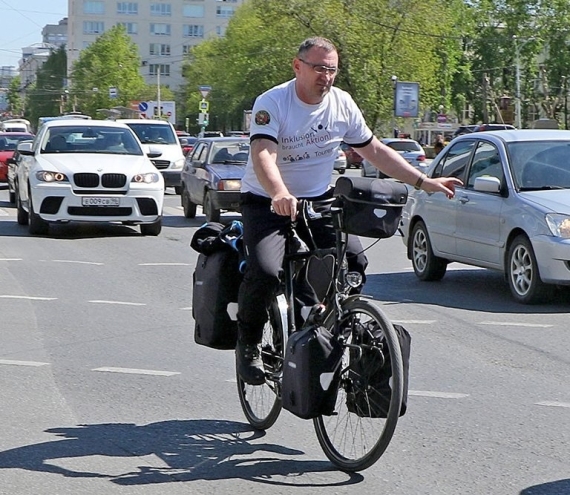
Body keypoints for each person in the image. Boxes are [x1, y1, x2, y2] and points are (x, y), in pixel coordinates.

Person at [236, 36, 462, 385]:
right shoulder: (273, 102)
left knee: (354, 262)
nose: (326, 76)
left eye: (332, 69)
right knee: (266, 271)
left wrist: (423, 181)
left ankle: (328, 326)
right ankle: (249, 346)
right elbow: (263, 152)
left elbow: (374, 151)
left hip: (317, 198)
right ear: (298, 67)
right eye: (318, 68)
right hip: (267, 200)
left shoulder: (341, 104)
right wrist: (279, 191)